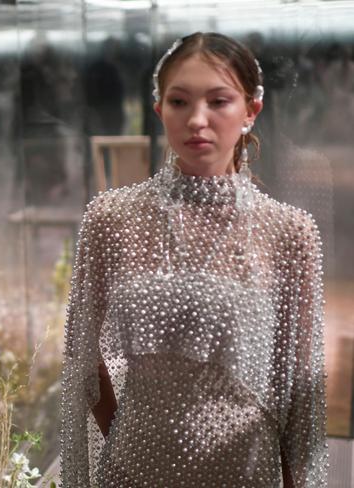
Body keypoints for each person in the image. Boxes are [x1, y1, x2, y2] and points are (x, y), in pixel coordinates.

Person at [60, 32, 327, 487]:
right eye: (180, 102)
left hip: (243, 469)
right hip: (134, 463)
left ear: (250, 111)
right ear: (160, 109)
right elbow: (83, 358)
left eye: (218, 101)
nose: (197, 120)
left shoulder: (289, 232)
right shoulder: (111, 218)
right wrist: (128, 434)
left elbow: (303, 396)